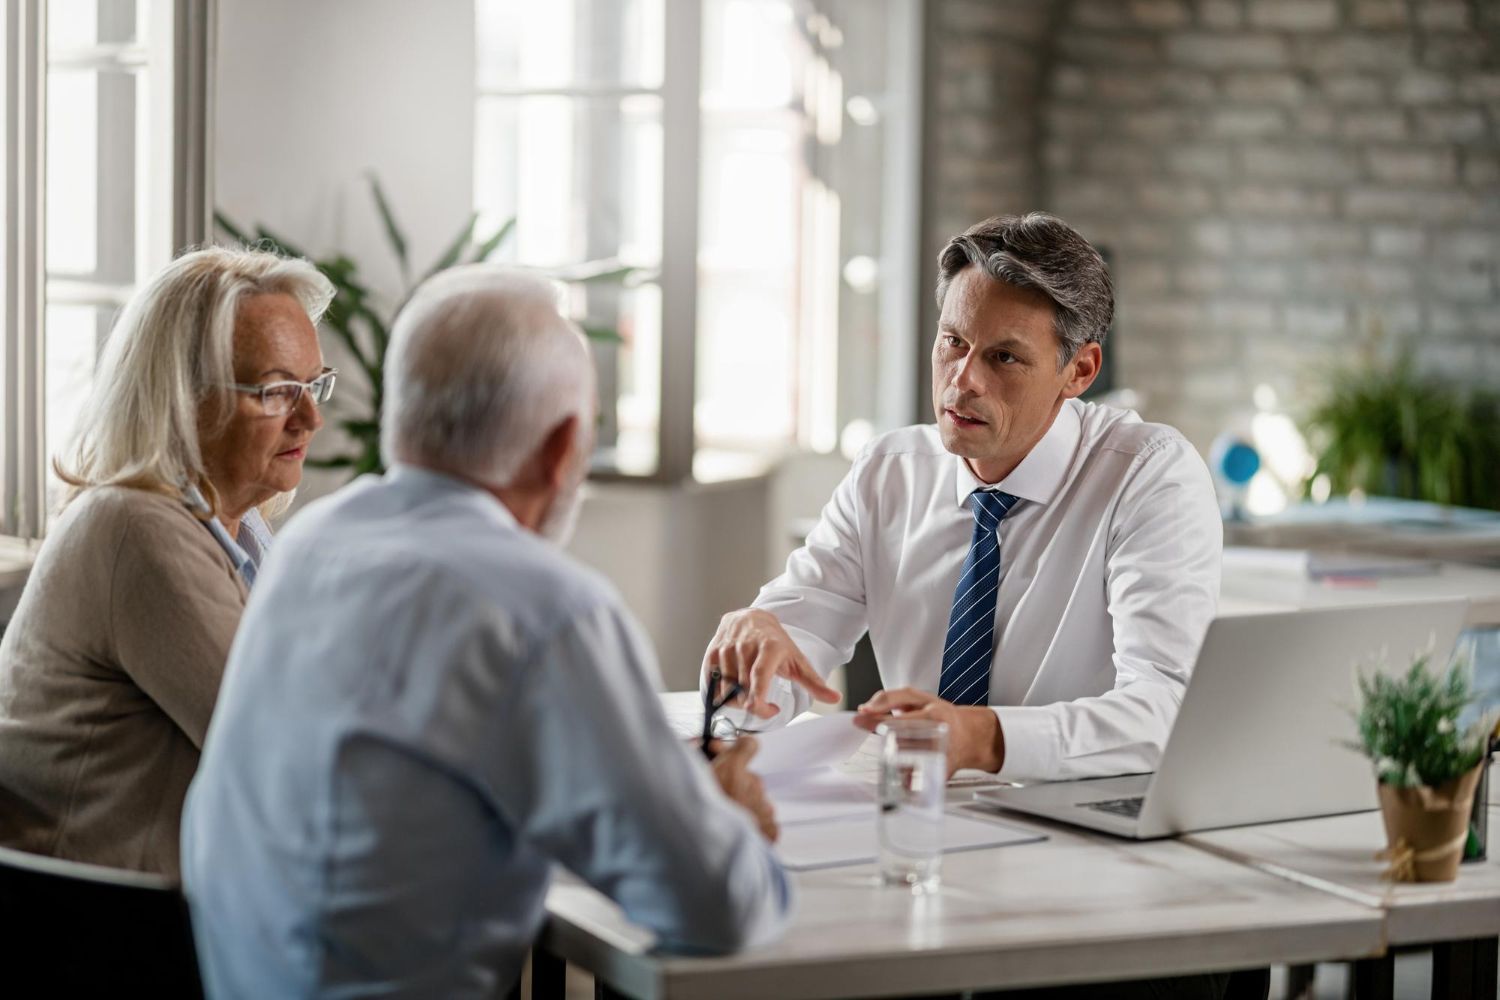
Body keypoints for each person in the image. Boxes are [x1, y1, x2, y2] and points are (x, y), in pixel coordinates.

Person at [182, 266, 792, 999]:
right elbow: (716, 908)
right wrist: (725, 822)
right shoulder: (544, 609)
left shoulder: (312, 544)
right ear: (565, 446)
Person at [705, 212, 1223, 783]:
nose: (963, 380)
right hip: (915, 811)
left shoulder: (1149, 476)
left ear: (1080, 370)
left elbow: (1168, 709)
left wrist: (982, 738)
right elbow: (793, 644)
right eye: (953, 342)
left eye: (1003, 357)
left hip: (1076, 824)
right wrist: (752, 664)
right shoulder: (888, 472)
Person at [0, 246, 334, 877]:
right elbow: (291, 758)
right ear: (183, 396)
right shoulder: (136, 527)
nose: (311, 418)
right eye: (277, 391)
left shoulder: (241, 531)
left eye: (315, 385)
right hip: (96, 940)